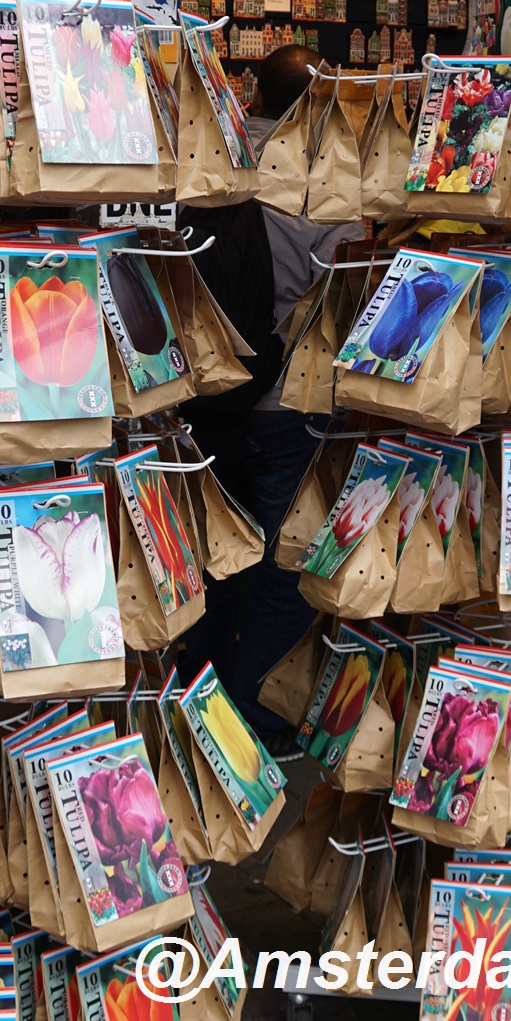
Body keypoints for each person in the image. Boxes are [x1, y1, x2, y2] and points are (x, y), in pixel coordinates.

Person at [179, 45, 363, 744]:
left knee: (217, 552)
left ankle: (194, 690)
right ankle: (247, 708)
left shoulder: (207, 167)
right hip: (291, 400)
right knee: (290, 561)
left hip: (205, 397)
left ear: (251, 95)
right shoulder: (327, 188)